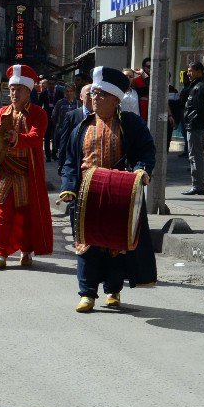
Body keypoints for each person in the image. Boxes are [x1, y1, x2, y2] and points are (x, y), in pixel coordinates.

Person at [59, 66, 156, 313]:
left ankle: (113, 291)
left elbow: (146, 150)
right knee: (86, 244)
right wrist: (69, 187)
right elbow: (70, 162)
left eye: (100, 94)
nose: (94, 97)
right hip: (86, 196)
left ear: (115, 99)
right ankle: (87, 294)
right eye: (93, 93)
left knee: (116, 246)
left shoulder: (131, 123)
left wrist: (142, 169)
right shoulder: (81, 127)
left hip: (118, 196)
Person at [0, 64, 54, 269]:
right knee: (1, 211)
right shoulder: (0, 113)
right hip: (5, 171)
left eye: (19, 90)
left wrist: (16, 138)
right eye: (12, 89)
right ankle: (0, 253)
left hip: (27, 173)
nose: (14, 93)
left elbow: (35, 137)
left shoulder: (38, 113)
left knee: (26, 214)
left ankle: (26, 252)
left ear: (28, 91)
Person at [179, 61, 204, 196]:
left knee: (195, 156)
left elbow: (202, 109)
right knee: (194, 155)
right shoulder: (195, 86)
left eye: (191, 71)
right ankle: (197, 185)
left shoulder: (200, 87)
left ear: (199, 71)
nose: (188, 73)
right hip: (194, 125)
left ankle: (197, 186)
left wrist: (200, 125)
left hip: (196, 126)